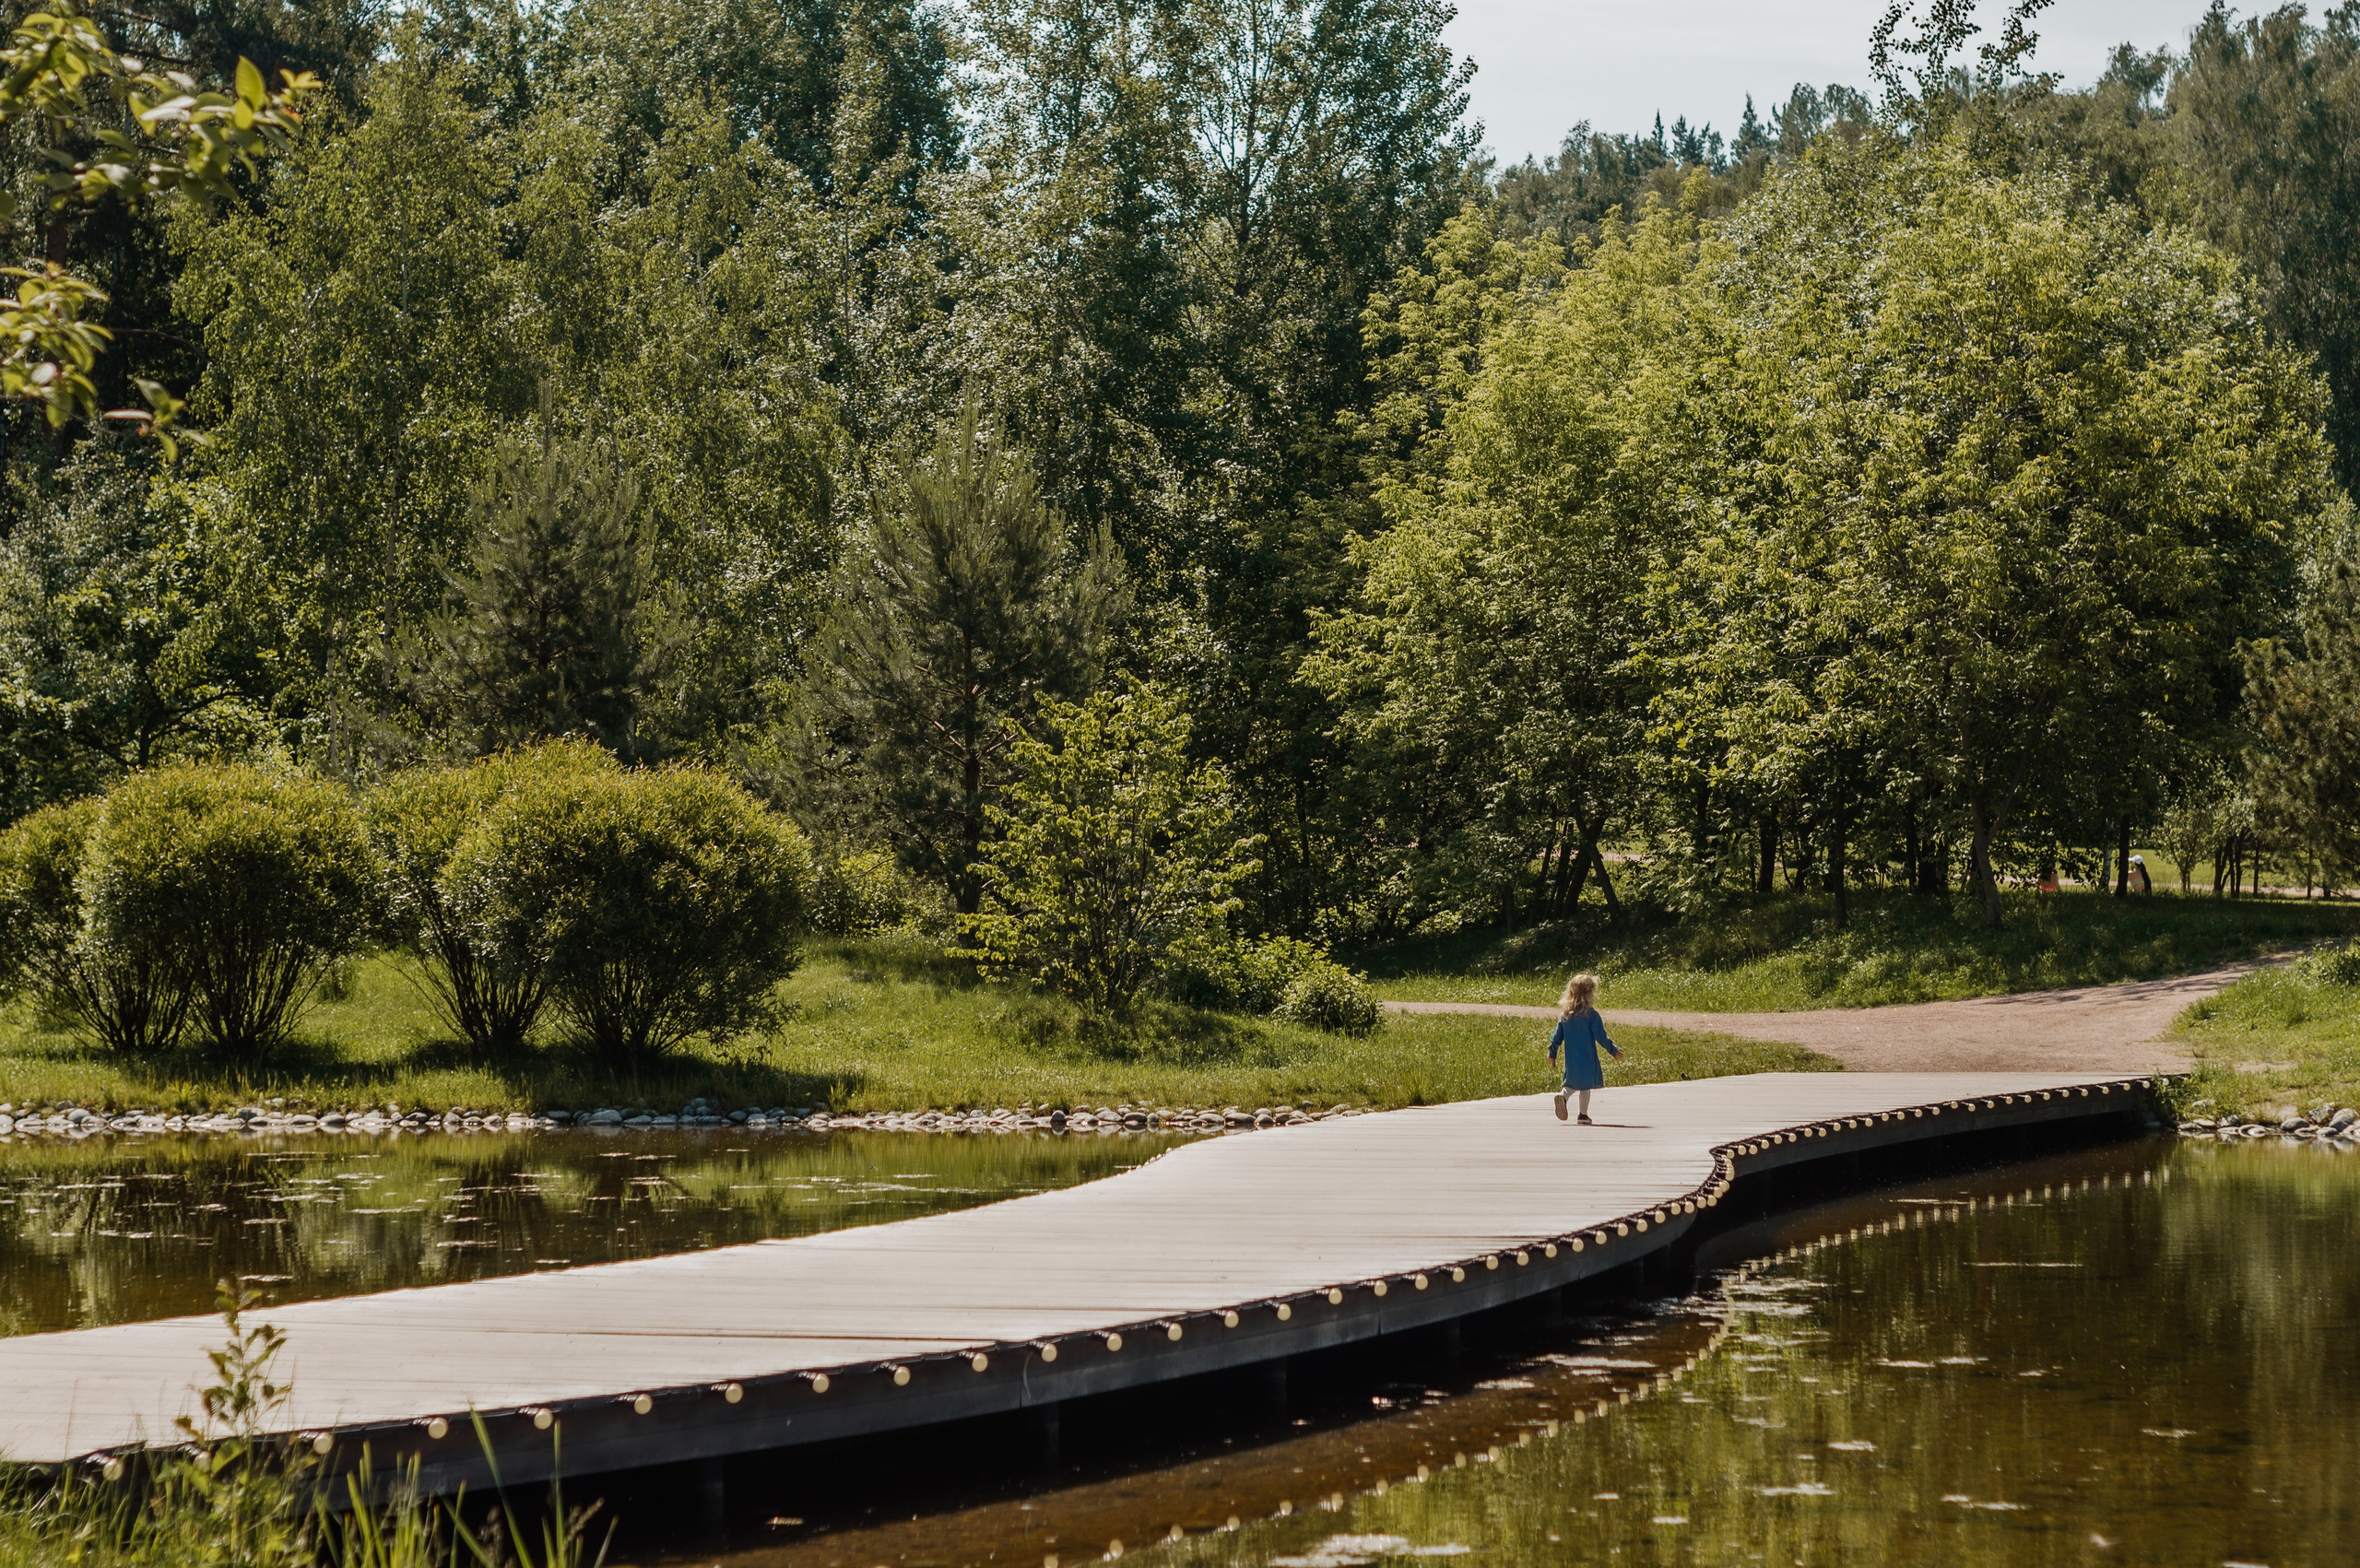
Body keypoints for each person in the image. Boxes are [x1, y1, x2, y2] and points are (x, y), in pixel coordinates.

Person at [1548, 972, 1620, 1126]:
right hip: (1587, 1057)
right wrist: (1613, 1050)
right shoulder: (1591, 1015)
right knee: (1585, 1086)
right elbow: (1601, 1036)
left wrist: (1552, 1053)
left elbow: (1556, 1037)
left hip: (1572, 1059)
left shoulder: (1565, 1016)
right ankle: (1583, 1115)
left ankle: (1564, 1097)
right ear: (1590, 994)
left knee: (1571, 1084)